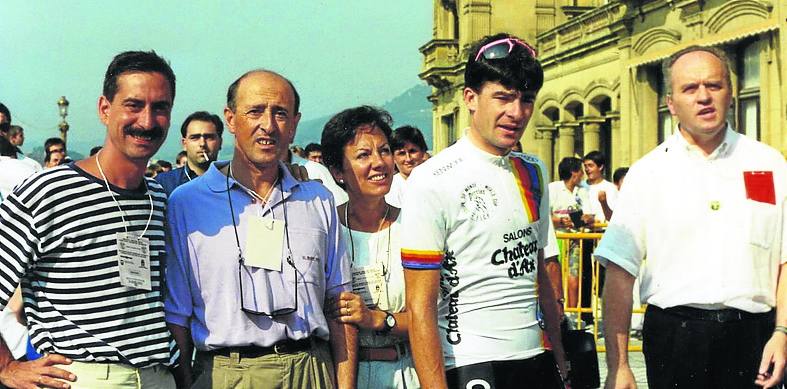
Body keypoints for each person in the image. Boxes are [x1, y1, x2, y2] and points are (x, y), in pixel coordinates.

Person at [598, 45, 787, 389]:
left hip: (755, 341)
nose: (704, 97)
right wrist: (619, 365)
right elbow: (619, 273)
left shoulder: (770, 164)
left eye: (714, 85)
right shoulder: (647, 173)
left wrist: (782, 332)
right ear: (671, 103)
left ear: (731, 93)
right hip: (675, 340)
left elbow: (786, 261)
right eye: (690, 88)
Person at [165, 69, 356, 389]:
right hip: (227, 373)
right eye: (255, 111)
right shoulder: (187, 203)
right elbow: (177, 314)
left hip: (310, 368)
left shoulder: (317, 199)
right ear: (230, 119)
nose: (268, 125)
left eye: (280, 113)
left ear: (294, 124)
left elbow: (341, 305)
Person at [0, 50, 177, 388]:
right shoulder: (48, 192)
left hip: (158, 376)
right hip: (84, 376)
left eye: (160, 108)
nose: (147, 121)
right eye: (134, 105)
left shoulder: (158, 198)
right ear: (104, 109)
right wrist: (7, 367)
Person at [400, 33, 567, 389]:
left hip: (535, 358)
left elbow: (540, 271)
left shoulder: (534, 170)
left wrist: (561, 361)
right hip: (471, 363)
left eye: (526, 100)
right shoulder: (431, 179)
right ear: (470, 98)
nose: (516, 113)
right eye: (503, 97)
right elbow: (419, 307)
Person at [321, 106, 420, 389]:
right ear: (337, 171)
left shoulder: (415, 227)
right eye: (363, 155)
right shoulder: (326, 230)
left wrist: (376, 319)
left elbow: (430, 317)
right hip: (341, 375)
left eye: (384, 150)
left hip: (407, 373)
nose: (379, 162)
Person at [548, 157, 592, 311]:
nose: (583, 175)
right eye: (581, 171)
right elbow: (545, 215)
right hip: (556, 239)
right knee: (554, 276)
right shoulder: (553, 189)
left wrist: (582, 220)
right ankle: (555, 312)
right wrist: (560, 221)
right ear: (574, 172)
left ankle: (571, 313)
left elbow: (588, 215)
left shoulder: (583, 191)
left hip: (575, 240)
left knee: (574, 277)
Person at [155, 111, 223, 195]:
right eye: (195, 138)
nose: (202, 144)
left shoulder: (232, 182)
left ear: (220, 143)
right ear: (184, 144)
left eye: (209, 137)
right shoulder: (163, 183)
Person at [386, 125, 427, 208]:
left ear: (423, 152)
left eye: (412, 151)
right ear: (393, 157)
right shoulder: (391, 189)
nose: (408, 159)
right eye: (402, 153)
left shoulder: (436, 181)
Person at [582, 150, 616, 223]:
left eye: (590, 166)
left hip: (601, 229)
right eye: (585, 166)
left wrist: (603, 202)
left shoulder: (610, 188)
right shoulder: (580, 186)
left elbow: (612, 217)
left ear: (600, 167)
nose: (587, 169)